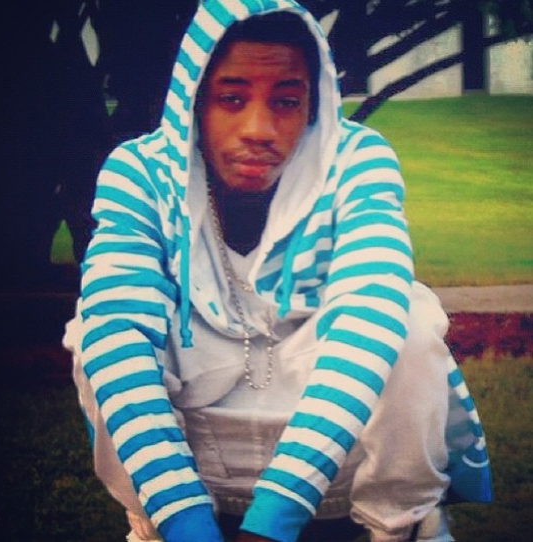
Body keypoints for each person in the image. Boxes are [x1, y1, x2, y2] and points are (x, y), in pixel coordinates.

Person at [63, 1, 492, 541]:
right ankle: (154, 522)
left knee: (403, 318)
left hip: (324, 388)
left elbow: (369, 315)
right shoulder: (141, 173)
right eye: (231, 99)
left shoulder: (356, 160)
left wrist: (271, 524)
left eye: (286, 101)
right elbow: (120, 335)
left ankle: (401, 526)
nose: (259, 129)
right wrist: (186, 524)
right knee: (96, 329)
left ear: (313, 105)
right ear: (194, 100)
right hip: (201, 391)